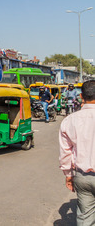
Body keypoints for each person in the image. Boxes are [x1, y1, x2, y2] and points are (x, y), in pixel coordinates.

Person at [59, 80, 95, 224]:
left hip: (83, 177)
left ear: (81, 96)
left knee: (85, 218)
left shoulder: (70, 120)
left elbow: (65, 152)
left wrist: (68, 175)